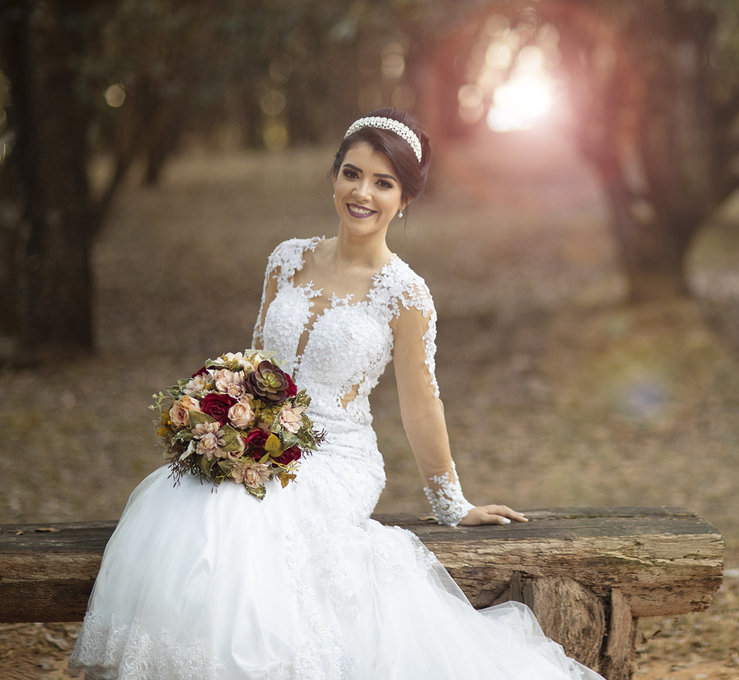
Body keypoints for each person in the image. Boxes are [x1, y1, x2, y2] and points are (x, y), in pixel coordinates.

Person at [69, 108, 603, 679]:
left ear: (405, 200)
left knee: (241, 516)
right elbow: (256, 360)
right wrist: (223, 416)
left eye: (383, 182)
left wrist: (453, 503)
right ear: (334, 177)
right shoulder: (287, 258)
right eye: (352, 173)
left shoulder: (406, 294)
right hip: (261, 436)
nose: (362, 193)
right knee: (197, 504)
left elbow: (421, 402)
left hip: (336, 455)